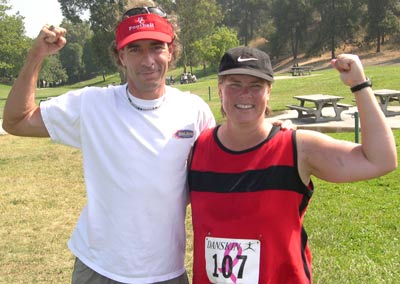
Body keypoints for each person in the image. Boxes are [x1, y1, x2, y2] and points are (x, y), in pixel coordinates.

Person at [2, 5, 215, 284]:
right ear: (120, 55)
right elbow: (16, 121)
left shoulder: (193, 110)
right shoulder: (91, 104)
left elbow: (228, 159)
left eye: (156, 47)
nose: (147, 60)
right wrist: (36, 56)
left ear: (171, 51)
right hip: (99, 268)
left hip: (165, 271)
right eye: (135, 49)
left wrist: (280, 137)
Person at [188, 46, 397, 284]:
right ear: (219, 89)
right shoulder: (197, 148)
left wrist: (359, 85)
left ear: (269, 92)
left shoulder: (297, 147)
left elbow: (381, 160)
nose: (245, 93)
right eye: (235, 84)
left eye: (256, 86)